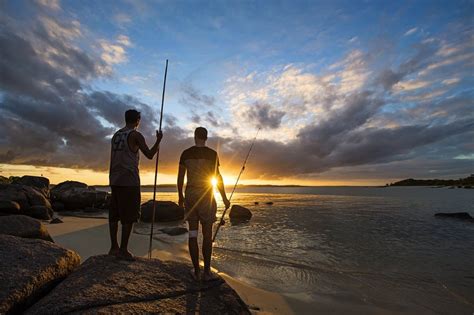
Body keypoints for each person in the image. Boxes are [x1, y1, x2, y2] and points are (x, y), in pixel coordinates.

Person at [109, 109, 163, 260]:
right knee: (129, 215)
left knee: (114, 214)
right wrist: (158, 140)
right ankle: (123, 250)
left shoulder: (116, 135)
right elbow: (150, 155)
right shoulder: (135, 135)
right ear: (137, 120)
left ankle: (114, 247)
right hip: (129, 179)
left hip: (114, 178)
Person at [177, 127, 230, 281]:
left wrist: (180, 197)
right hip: (207, 196)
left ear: (195, 137)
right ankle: (207, 271)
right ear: (206, 138)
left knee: (192, 234)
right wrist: (224, 198)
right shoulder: (213, 154)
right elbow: (217, 178)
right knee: (207, 235)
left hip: (191, 196)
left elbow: (180, 179)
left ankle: (196, 271)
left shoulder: (185, 153)